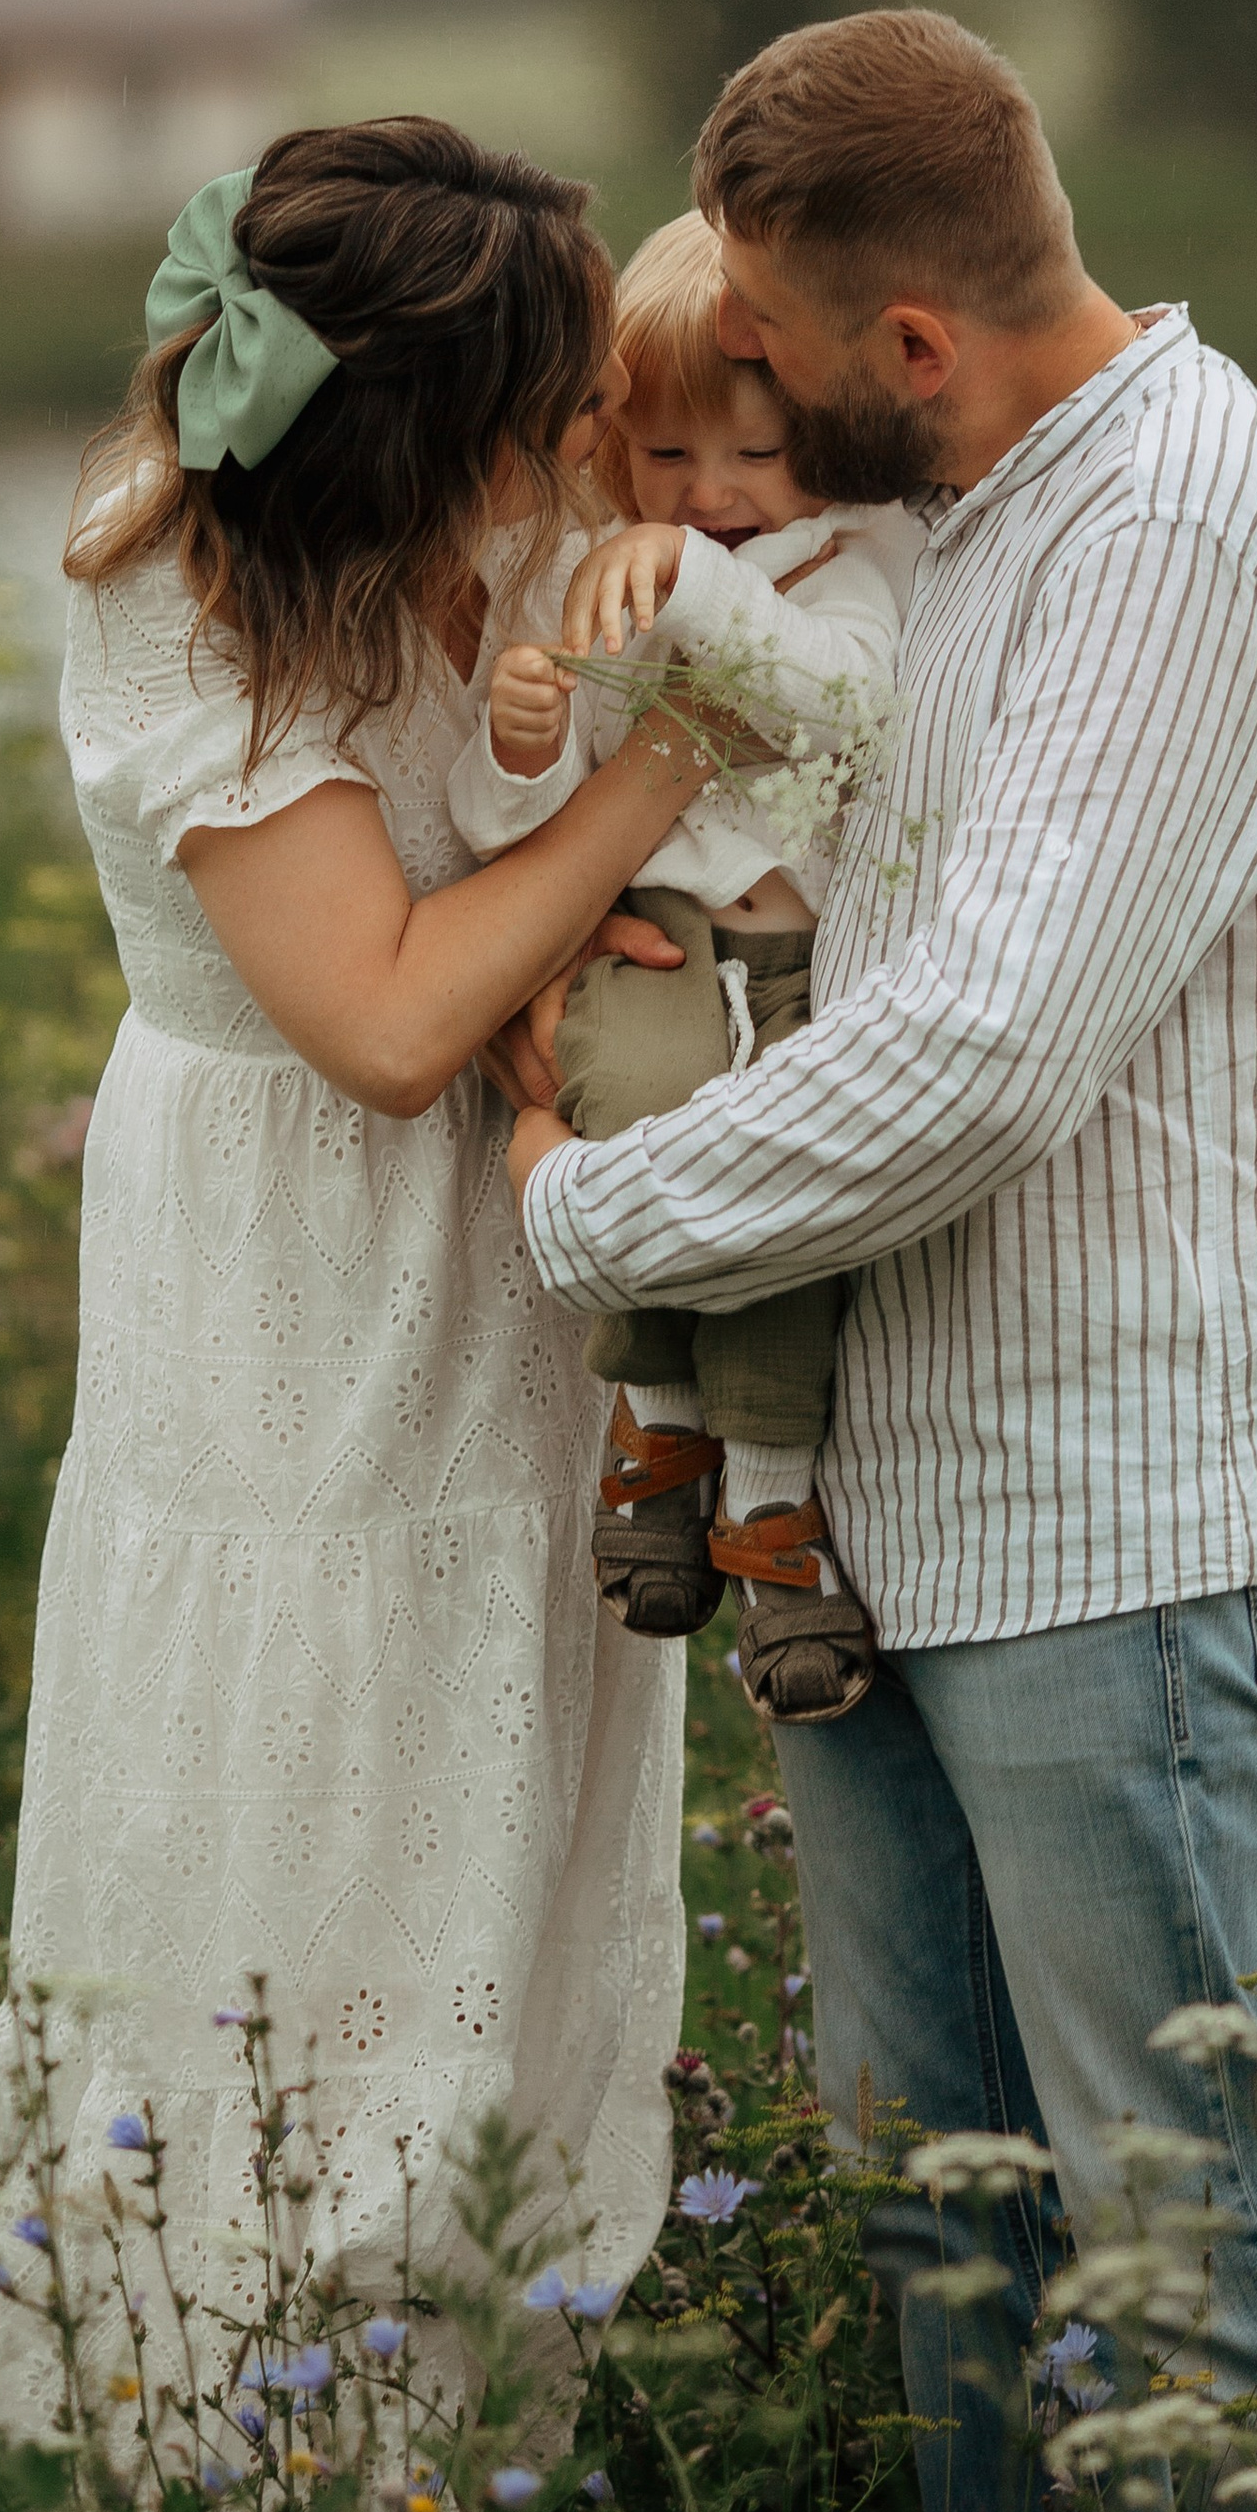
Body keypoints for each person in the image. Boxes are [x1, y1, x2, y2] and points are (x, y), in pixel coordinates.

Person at [498, 11, 1257, 2512]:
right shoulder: (956, 510)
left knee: (1197, 2255)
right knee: (953, 2231)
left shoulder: (1181, 521)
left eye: (787, 368)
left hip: (1111, 1499)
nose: (767, 418)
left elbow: (983, 1057)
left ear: (910, 342)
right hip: (892, 1502)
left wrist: (591, 1217)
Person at [0, 119, 712, 2491]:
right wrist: (671, 765)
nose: (585, 435)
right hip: (296, 1279)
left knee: (487, 1786)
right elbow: (381, 1024)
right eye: (548, 402)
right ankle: (233, 2454)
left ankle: (464, 2442)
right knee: (301, 1798)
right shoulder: (180, 594)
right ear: (418, 438)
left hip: (489, 1278)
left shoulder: (489, 505)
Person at [447, 212, 911, 1725]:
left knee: (784, 1215)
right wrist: (521, 743)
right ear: (616, 451)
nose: (712, 499)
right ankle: (656, 1429)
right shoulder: (598, 583)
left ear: (829, 448)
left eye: (758, 458)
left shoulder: (843, 580)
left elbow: (835, 704)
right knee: (635, 1119)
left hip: (792, 965)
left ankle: (774, 1512)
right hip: (649, 945)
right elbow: (525, 814)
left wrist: (691, 581)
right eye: (667, 462)